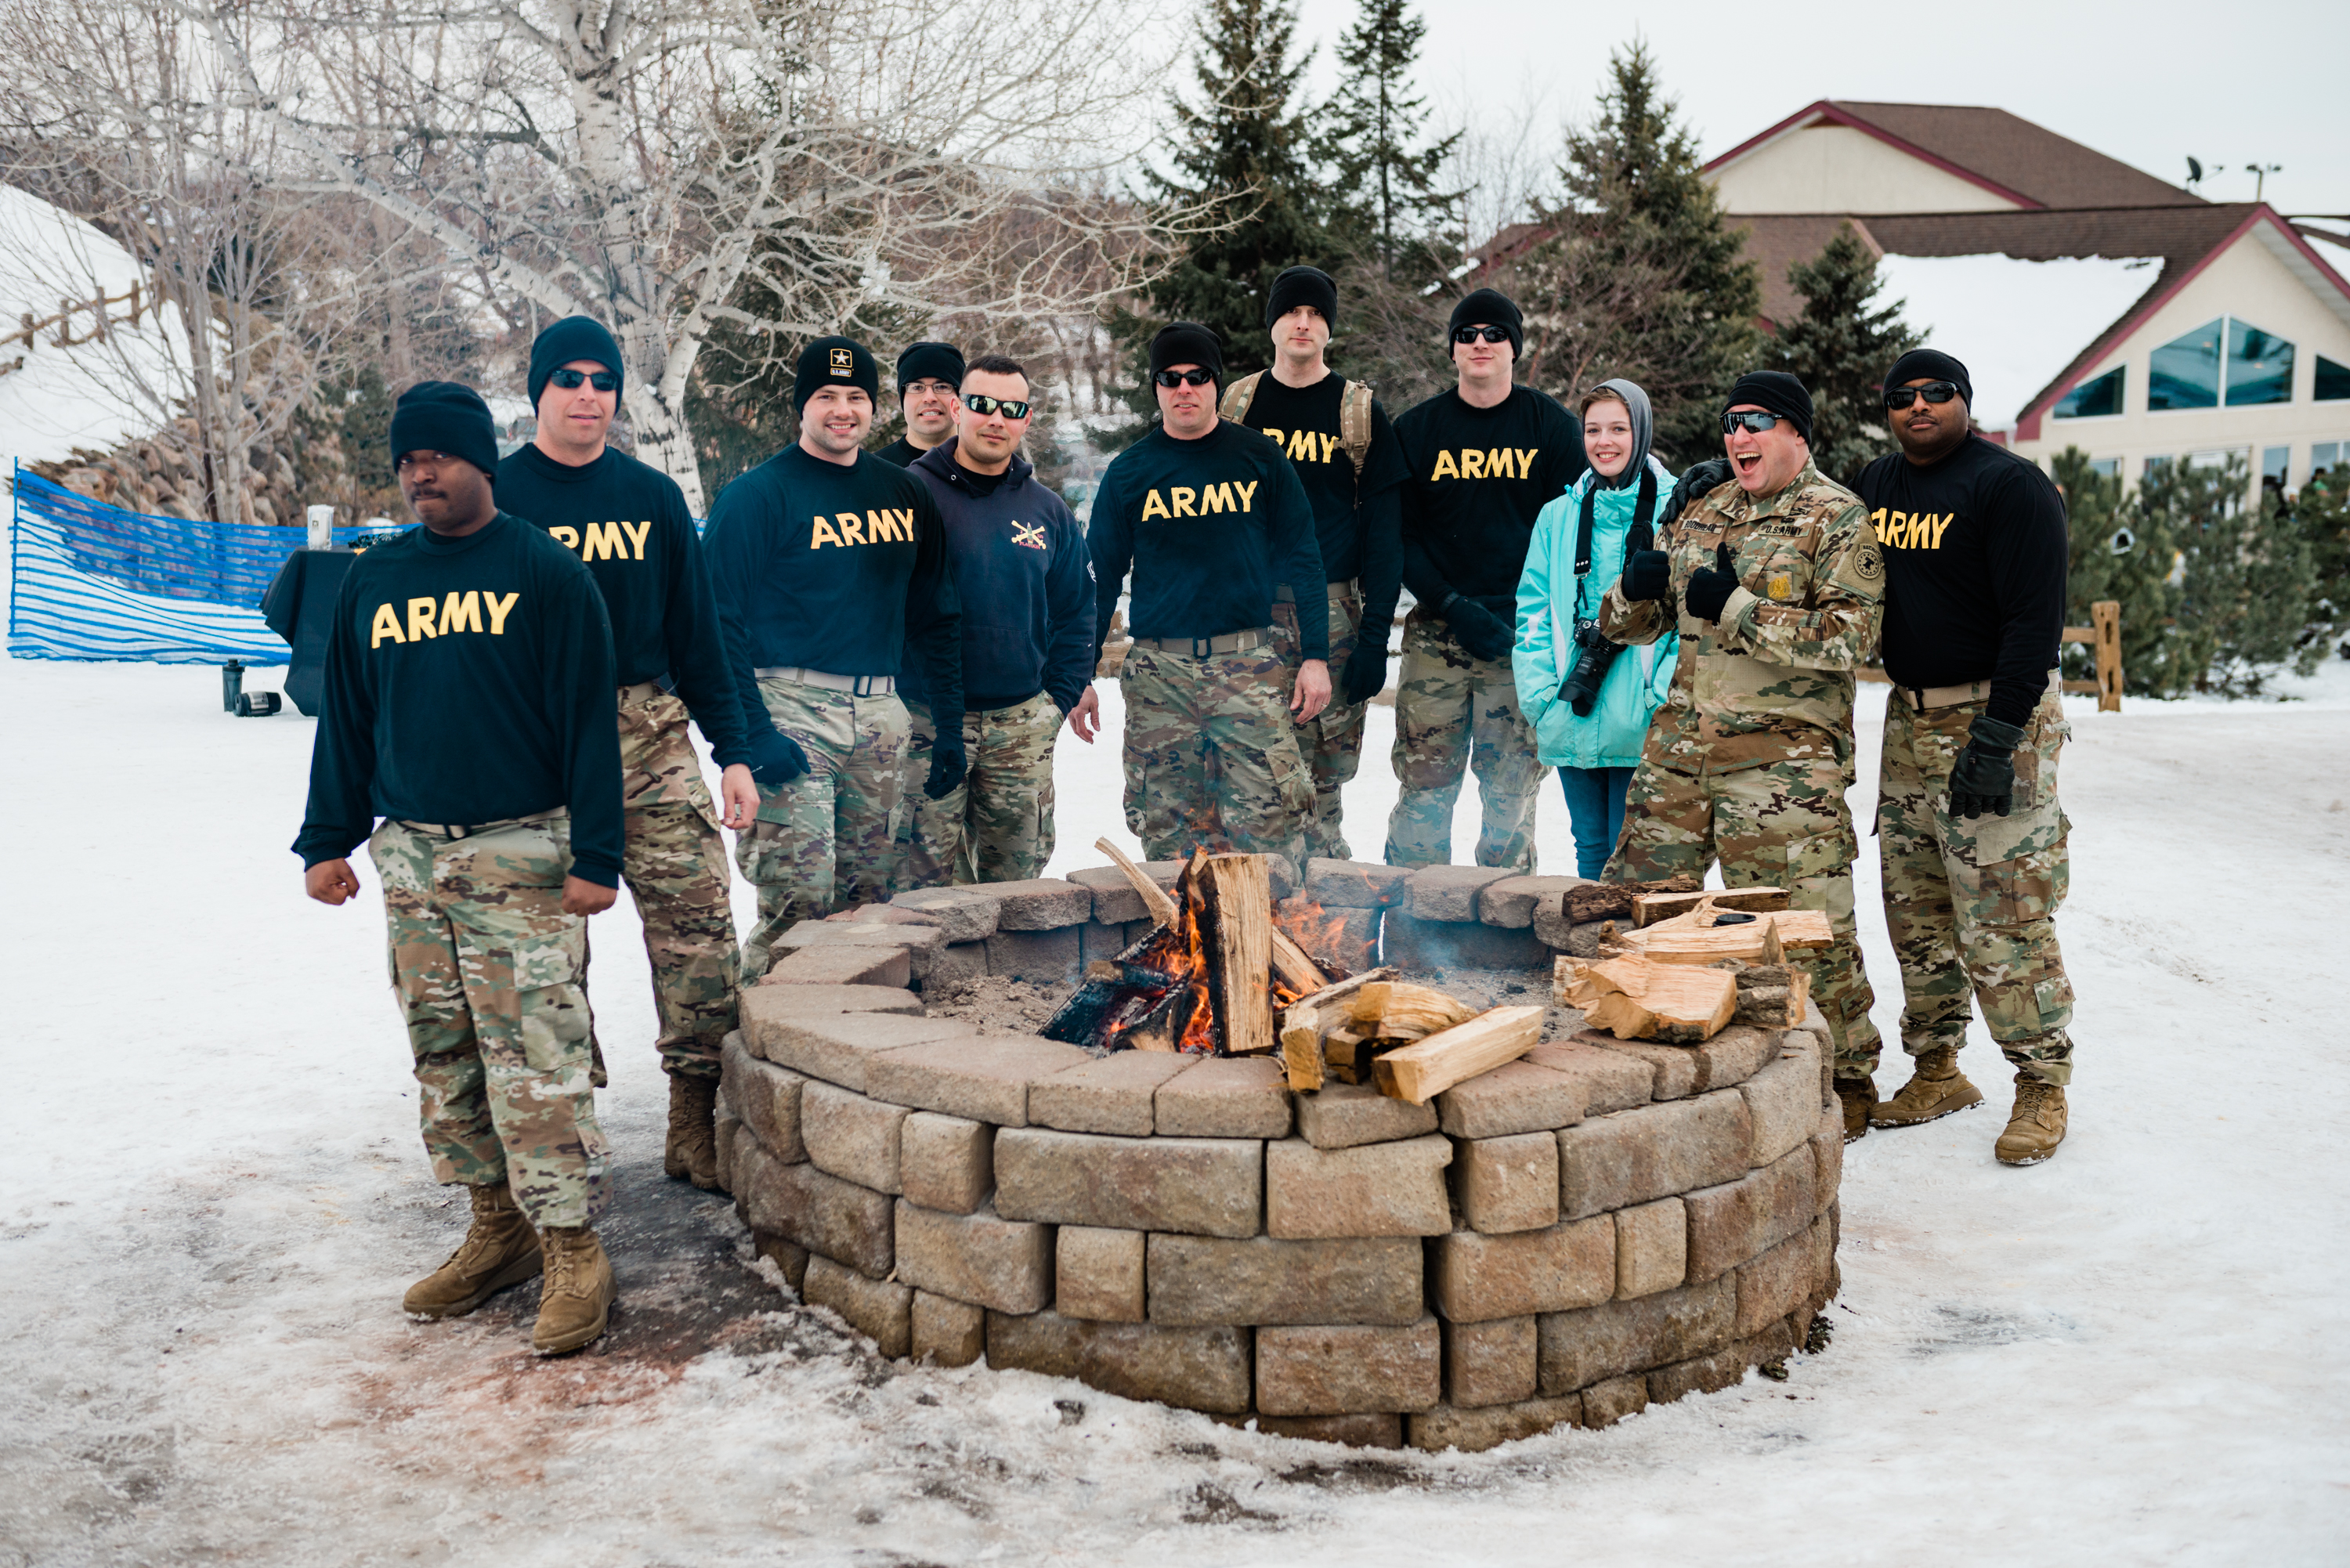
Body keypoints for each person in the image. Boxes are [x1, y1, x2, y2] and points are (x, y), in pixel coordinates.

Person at [295, 381, 624, 1356]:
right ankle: (498, 1228)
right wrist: (326, 838)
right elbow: (347, 720)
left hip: (521, 852)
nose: (419, 473)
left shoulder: (546, 572)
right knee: (444, 1052)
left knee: (537, 1056)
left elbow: (588, 725)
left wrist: (598, 853)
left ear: (483, 459)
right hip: (412, 857)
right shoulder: (375, 580)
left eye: (436, 456)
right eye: (407, 460)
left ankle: (572, 1246)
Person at [497, 316, 759, 1193]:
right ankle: (564, 1141)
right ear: (538, 390)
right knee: (543, 958)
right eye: (568, 378)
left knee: (702, 933)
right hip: (534, 749)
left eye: (603, 380)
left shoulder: (652, 498)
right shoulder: (496, 499)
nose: (588, 395)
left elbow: (698, 637)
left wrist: (732, 751)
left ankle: (694, 1120)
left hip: (650, 738)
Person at [1599, 370, 1886, 1133]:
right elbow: (1637, 626)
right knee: (1641, 912)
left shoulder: (1835, 517)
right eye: (1730, 423)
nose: (1738, 436)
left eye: (1756, 421)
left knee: (1807, 930)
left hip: (1781, 768)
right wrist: (1633, 590)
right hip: (1681, 755)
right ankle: (1639, 1055)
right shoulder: (1704, 508)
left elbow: (1853, 639)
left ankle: (1846, 1075)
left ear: (1796, 432)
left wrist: (1737, 609)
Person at [1856, 348, 2076, 1165]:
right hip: (1909, 720)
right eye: (1902, 396)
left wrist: (1998, 737)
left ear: (1965, 400)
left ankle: (2042, 1081)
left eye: (1936, 392)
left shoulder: (2010, 487)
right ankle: (1939, 1068)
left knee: (2003, 912)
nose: (1919, 406)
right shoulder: (1878, 484)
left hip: (1995, 717)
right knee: (1915, 908)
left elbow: (2034, 624)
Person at [704, 335, 965, 974]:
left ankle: (851, 1031)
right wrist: (750, 735)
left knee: (869, 907)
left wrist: (949, 727)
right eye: (826, 396)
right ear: (802, 405)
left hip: (882, 717)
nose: (842, 410)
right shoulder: (759, 495)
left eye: (855, 397)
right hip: (790, 712)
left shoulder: (904, 493)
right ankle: (763, 1030)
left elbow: (936, 618)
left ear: (874, 407)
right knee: (800, 905)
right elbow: (715, 624)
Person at [1089, 320, 1328, 868]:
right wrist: (1080, 671)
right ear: (1156, 387)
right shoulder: (1130, 473)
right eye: (1170, 378)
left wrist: (1315, 655)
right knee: (1170, 842)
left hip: (1247, 667)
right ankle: (1183, 928)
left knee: (1269, 834)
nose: (1184, 388)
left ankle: (1270, 926)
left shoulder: (1260, 458)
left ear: (1216, 383)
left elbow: (1305, 560)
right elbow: (1100, 579)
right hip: (1160, 678)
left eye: (1197, 377)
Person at [1389, 287, 1588, 870]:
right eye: (1467, 334)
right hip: (1438, 633)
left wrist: (1530, 612)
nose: (1481, 343)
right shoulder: (1417, 430)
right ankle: (1413, 916)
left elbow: (1577, 533)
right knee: (1424, 794)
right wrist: (1451, 603)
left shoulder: (1553, 428)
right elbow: (1399, 538)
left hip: (1522, 639)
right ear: (1452, 349)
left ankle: (1503, 919)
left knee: (1511, 798)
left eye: (1495, 334)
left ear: (1514, 347)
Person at [1217, 265, 1408, 859]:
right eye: (1292, 312)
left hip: (1332, 614)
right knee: (1248, 780)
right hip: (1247, 615)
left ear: (1330, 328)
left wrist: (1374, 641)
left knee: (1322, 788)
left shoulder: (1358, 412)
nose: (1303, 323)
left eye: (1316, 314)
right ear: (1272, 323)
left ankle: (1326, 903)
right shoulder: (1237, 405)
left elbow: (1384, 538)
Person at [896, 352, 1096, 884]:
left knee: (1019, 885)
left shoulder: (1047, 510)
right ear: (957, 409)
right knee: (922, 884)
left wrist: (1058, 700)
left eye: (1012, 408)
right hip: (925, 722)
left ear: (1027, 419)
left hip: (1020, 727)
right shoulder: (908, 494)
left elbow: (1077, 608)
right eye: (983, 404)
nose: (996, 419)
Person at [1513, 379, 1678, 878]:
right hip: (1572, 703)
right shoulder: (1558, 516)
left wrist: (1659, 697)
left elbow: (1689, 620)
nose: (1604, 442)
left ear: (1641, 432)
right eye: (1593, 430)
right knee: (1589, 849)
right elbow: (1533, 610)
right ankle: (1599, 933)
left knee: (1638, 857)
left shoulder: (1678, 510)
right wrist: (1541, 697)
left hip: (1646, 713)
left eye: (1618, 429)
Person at [875, 341, 964, 468]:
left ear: (960, 399)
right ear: (902, 398)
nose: (929, 398)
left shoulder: (984, 466)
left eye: (942, 387)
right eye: (917, 387)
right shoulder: (875, 469)